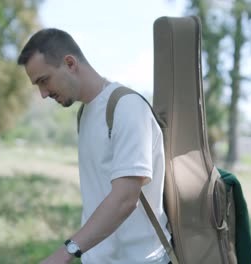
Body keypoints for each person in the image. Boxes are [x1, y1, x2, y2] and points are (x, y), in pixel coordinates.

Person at [17, 28, 171, 264]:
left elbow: (125, 199)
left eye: (44, 81)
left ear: (69, 63)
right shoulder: (85, 114)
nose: (43, 94)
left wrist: (63, 254)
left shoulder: (126, 107)